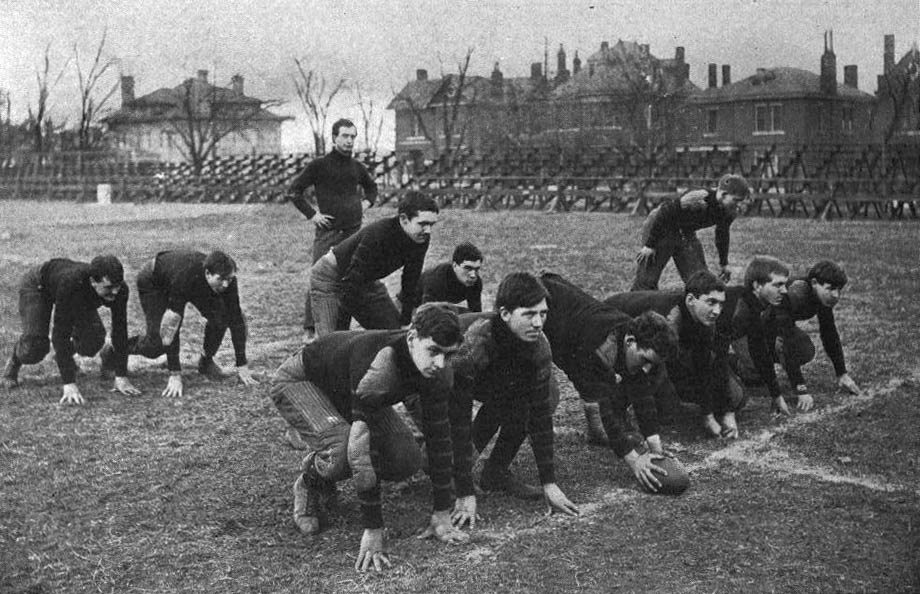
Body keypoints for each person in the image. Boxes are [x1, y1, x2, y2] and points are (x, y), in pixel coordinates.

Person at [269, 303, 473, 572]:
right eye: (433, 351)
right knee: (344, 450)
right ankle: (311, 477)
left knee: (407, 459)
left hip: (349, 388)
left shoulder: (438, 366)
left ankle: (326, 442)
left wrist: (442, 513)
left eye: (448, 355)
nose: (439, 363)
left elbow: (439, 435)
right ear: (412, 338)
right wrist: (373, 528)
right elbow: (361, 450)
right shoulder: (380, 364)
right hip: (302, 381)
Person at [538, 272, 680, 492]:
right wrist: (634, 460)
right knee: (541, 396)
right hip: (542, 303)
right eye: (645, 360)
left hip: (565, 316)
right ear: (631, 342)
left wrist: (655, 447)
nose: (646, 369)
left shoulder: (629, 338)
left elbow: (642, 394)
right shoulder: (603, 346)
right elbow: (606, 410)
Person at [451, 272, 579, 514]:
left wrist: (549, 482)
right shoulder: (477, 341)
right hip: (445, 382)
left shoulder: (539, 346)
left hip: (497, 382)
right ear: (505, 313)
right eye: (529, 314)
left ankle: (496, 472)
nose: (539, 323)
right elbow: (458, 409)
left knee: (537, 398)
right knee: (434, 463)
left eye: (542, 313)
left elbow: (540, 416)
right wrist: (464, 486)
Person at [606, 271, 747, 439]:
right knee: (653, 380)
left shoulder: (705, 319)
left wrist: (711, 415)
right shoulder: (671, 319)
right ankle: (617, 412)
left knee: (736, 397)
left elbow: (704, 364)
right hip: (614, 325)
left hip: (662, 346)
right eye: (711, 302)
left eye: (721, 304)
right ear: (690, 300)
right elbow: (646, 361)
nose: (717, 311)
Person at [1, 255, 141, 404]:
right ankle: (15, 361)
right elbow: (60, 334)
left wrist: (121, 376)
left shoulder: (119, 289)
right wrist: (69, 384)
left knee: (93, 340)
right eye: (108, 287)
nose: (115, 292)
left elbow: (120, 330)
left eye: (117, 286)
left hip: (76, 291)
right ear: (93, 282)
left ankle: (63, 356)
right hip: (39, 285)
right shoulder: (72, 285)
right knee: (35, 348)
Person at [288, 118, 378, 343]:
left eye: (352, 137)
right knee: (319, 278)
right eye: (345, 136)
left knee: (352, 279)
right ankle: (310, 330)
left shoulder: (357, 167)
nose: (349, 141)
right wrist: (313, 215)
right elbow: (294, 191)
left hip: (354, 233)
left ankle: (342, 328)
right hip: (329, 233)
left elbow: (372, 188)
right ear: (335, 138)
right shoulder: (319, 165)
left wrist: (366, 204)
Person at [126, 249, 258, 398]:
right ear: (208, 273)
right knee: (157, 343)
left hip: (191, 280)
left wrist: (242, 365)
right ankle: (115, 349)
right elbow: (171, 326)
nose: (226, 284)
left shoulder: (227, 281)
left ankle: (206, 361)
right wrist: (175, 374)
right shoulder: (185, 278)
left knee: (222, 317)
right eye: (221, 279)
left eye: (229, 279)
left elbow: (236, 320)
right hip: (154, 280)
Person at [308, 190, 438, 337]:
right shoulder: (378, 234)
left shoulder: (421, 239)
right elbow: (349, 287)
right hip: (331, 277)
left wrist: (405, 320)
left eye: (431, 225)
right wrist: (340, 332)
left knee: (396, 335)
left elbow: (411, 280)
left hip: (364, 280)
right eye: (423, 224)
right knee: (331, 344)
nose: (428, 230)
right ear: (404, 219)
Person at [631, 173, 752, 291]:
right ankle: (636, 306)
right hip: (662, 225)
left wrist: (724, 263)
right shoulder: (699, 197)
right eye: (736, 200)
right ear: (724, 194)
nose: (738, 205)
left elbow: (722, 234)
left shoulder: (728, 210)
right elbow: (665, 211)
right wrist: (650, 245)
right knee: (646, 283)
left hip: (686, 232)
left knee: (701, 282)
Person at [765, 260, 860, 407]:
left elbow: (829, 332)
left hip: (769, 328)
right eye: (831, 288)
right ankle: (738, 363)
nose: (836, 295)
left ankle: (757, 364)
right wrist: (801, 388)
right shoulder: (796, 294)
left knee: (804, 349)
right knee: (759, 371)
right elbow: (786, 337)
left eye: (839, 289)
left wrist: (842, 373)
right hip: (749, 331)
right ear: (814, 282)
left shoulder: (819, 295)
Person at [729, 256, 795, 415]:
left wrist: (777, 395)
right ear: (757, 286)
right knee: (735, 398)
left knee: (752, 376)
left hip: (717, 342)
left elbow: (760, 351)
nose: (784, 290)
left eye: (784, 285)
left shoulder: (756, 305)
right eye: (778, 285)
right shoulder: (739, 309)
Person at [419, 242, 483, 313]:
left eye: (476, 269)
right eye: (468, 268)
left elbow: (476, 313)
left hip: (443, 306)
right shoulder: (437, 280)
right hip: (413, 301)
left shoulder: (475, 282)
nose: (473, 275)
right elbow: (426, 315)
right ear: (455, 265)